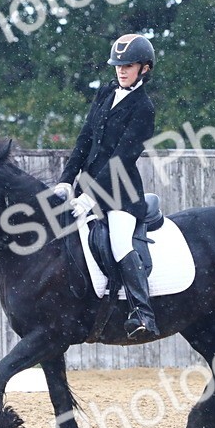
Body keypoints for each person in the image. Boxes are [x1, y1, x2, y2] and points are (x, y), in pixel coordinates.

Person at [54, 33, 160, 340]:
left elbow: (121, 159)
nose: (121, 70)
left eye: (128, 65)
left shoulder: (144, 108)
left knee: (120, 242)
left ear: (144, 68)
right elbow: (85, 140)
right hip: (87, 187)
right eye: (118, 65)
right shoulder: (105, 93)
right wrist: (65, 179)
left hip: (121, 195)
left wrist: (89, 199)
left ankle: (143, 313)